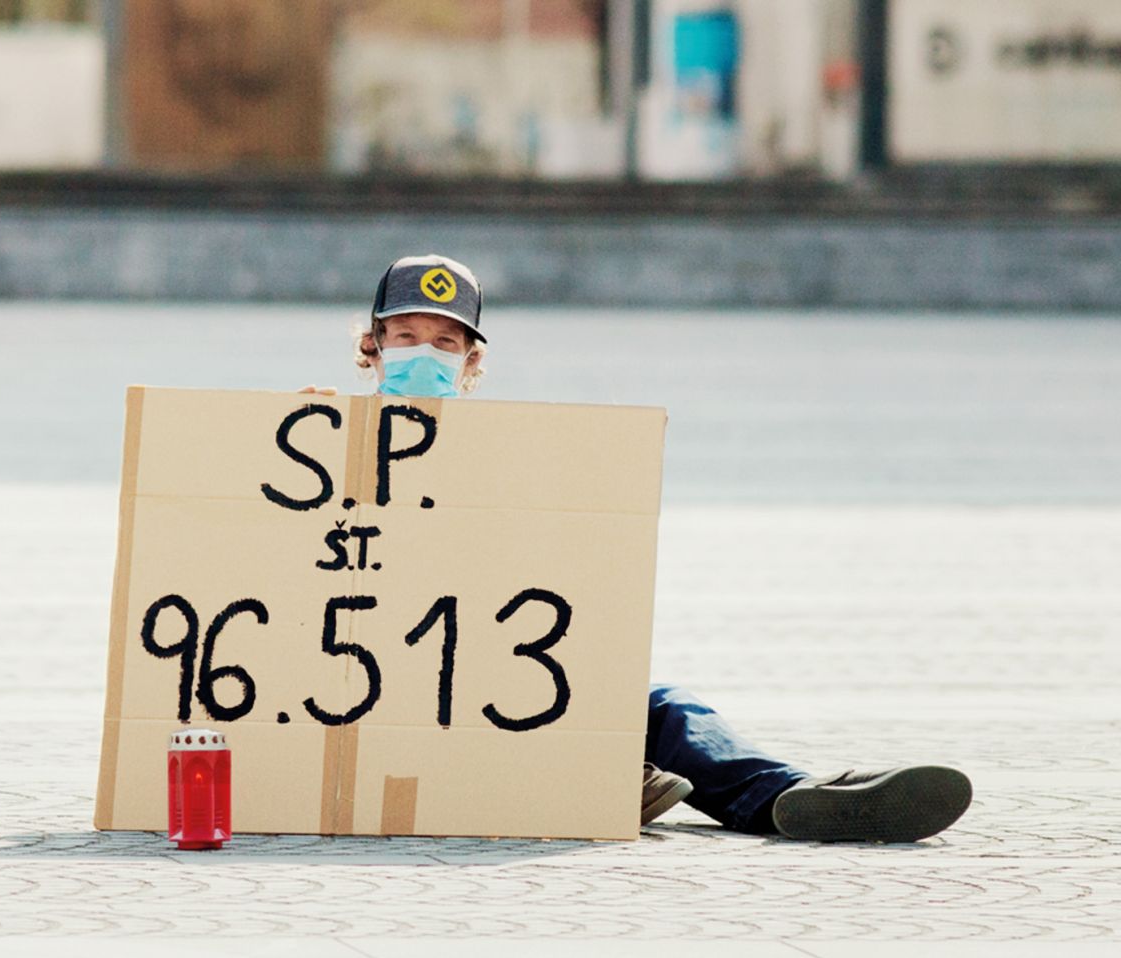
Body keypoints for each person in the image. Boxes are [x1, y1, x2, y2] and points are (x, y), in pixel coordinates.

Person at [302, 254, 973, 842]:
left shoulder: (507, 453)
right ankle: (597, 775)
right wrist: (299, 432)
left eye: (446, 342)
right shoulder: (322, 433)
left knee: (664, 706)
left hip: (499, 660)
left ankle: (787, 798)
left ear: (471, 360)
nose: (426, 353)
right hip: (378, 674)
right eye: (408, 336)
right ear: (374, 346)